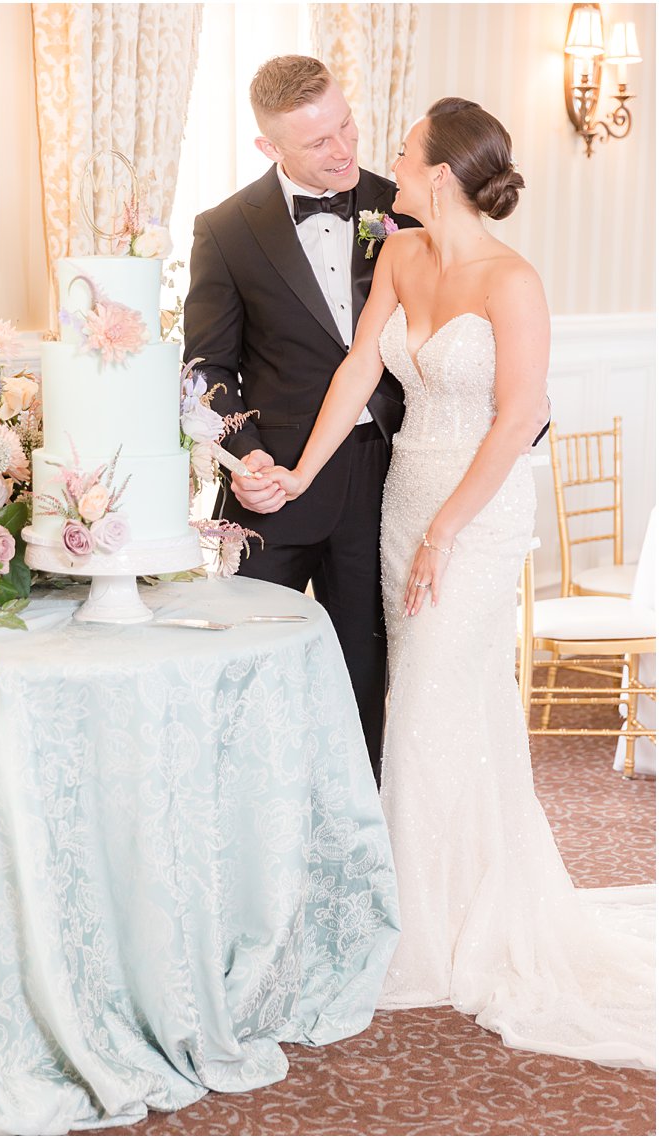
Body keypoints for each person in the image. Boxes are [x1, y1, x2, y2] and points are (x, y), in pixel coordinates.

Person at [263, 97, 654, 1069]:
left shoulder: (511, 281)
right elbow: (358, 371)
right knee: (439, 708)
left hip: (474, 520)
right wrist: (300, 475)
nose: (387, 162)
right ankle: (448, 891)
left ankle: (414, 931)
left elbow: (516, 418)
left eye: (401, 150)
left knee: (430, 700)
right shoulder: (398, 254)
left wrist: (446, 529)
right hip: (406, 501)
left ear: (438, 170)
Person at [184, 56, 414, 784]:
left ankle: (359, 853)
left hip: (386, 479)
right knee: (246, 678)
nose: (345, 150)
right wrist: (243, 458)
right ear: (269, 148)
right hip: (272, 492)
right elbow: (207, 371)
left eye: (346, 125)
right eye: (319, 143)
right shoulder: (224, 229)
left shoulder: (401, 205)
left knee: (365, 679)